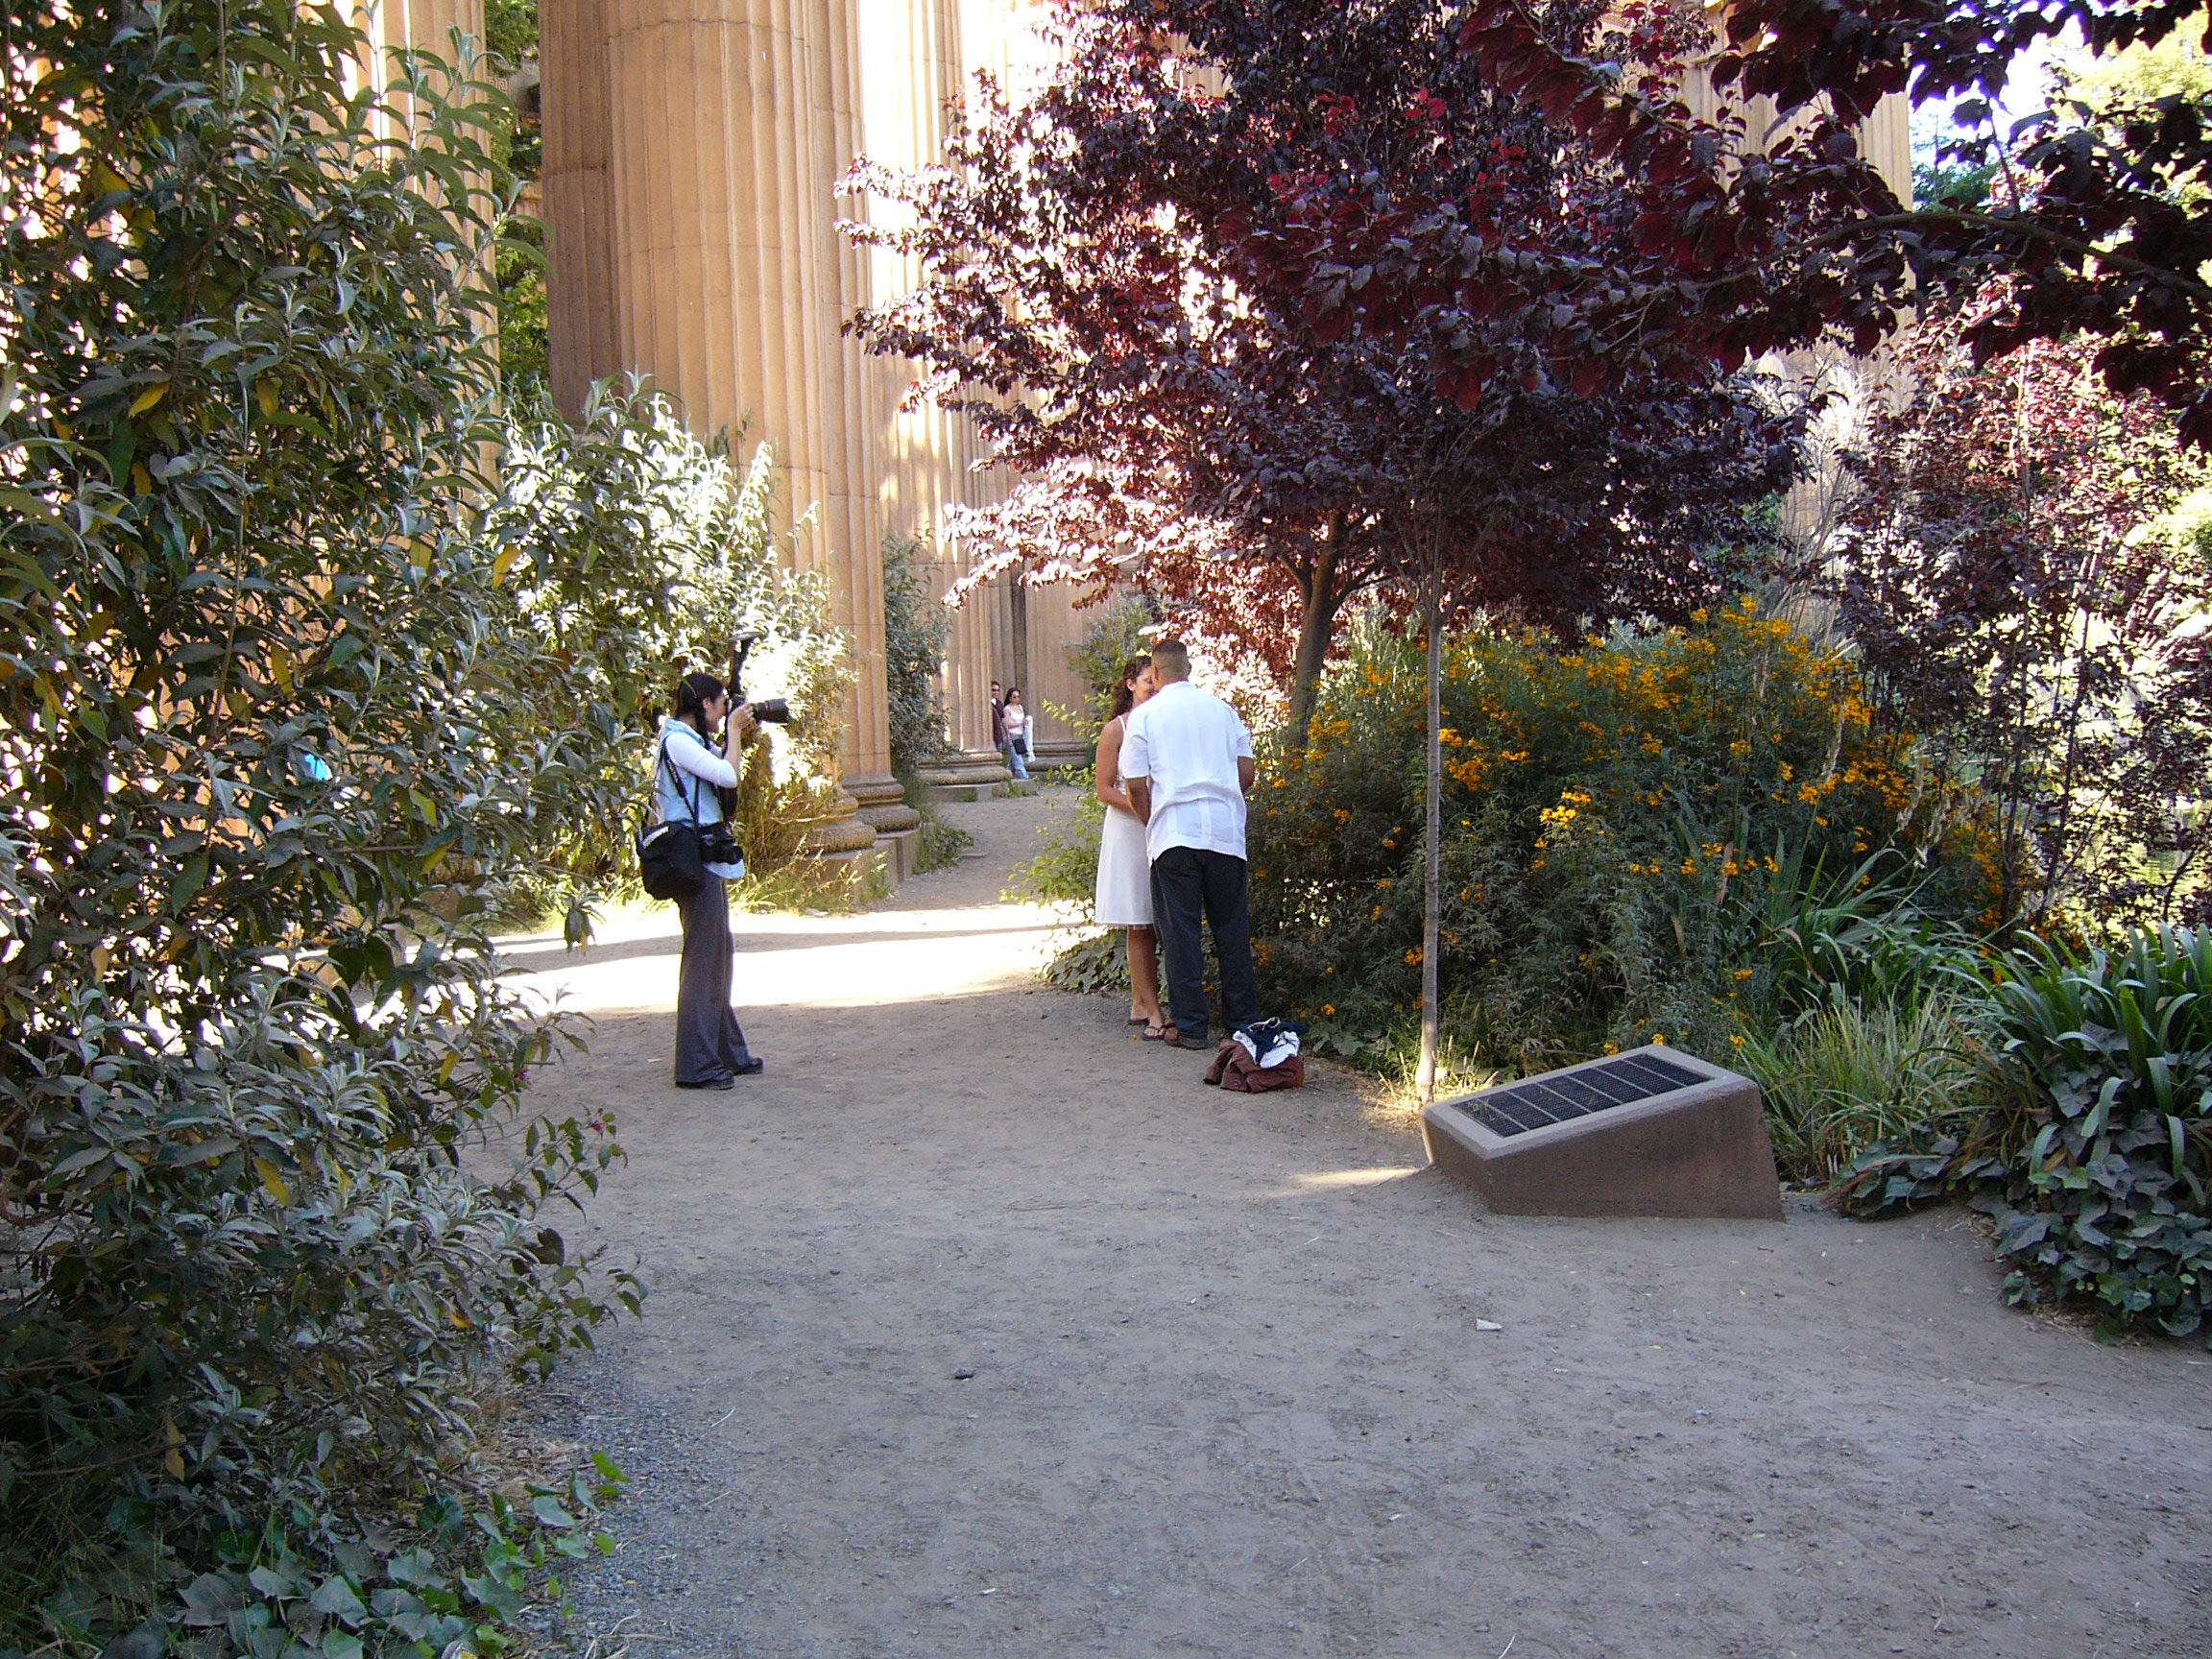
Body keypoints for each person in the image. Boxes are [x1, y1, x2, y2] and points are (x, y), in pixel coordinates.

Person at [1118, 638, 1260, 1051]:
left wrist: (1152, 819)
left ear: (1156, 673)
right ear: (1190, 669)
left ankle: (1192, 1026)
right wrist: (1222, 799)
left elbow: (1134, 783)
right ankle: (1242, 1023)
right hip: (1224, 833)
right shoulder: (1223, 711)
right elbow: (1247, 773)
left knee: (1180, 933)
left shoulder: (1145, 717)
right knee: (1232, 931)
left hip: (1173, 833)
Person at [656, 671, 763, 1088]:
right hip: (691, 857)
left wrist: (736, 734)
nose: (723, 713)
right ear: (704, 704)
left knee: (719, 951)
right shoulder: (677, 740)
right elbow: (727, 776)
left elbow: (724, 771)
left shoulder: (691, 740)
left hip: (705, 855)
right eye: (720, 704)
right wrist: (733, 732)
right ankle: (696, 1065)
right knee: (703, 959)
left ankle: (726, 1051)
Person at [1094, 655, 1167, 1037]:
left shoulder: (1164, 724)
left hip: (1162, 822)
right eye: (1146, 680)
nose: (1153, 687)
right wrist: (1142, 809)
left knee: (1154, 919)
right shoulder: (1117, 729)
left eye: (1156, 680)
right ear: (1130, 685)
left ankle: (1141, 1002)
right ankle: (1150, 1007)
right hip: (1129, 826)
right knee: (1139, 918)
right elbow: (1104, 788)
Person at [1000, 686, 1032, 781]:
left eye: (1018, 697)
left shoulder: (1020, 707)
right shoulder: (1007, 709)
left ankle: (1005, 776)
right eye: (1014, 697)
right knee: (1018, 760)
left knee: (1013, 761)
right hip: (1012, 735)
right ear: (1009, 698)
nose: (1016, 699)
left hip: (1020, 735)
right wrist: (1020, 724)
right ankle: (1025, 778)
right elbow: (1007, 724)